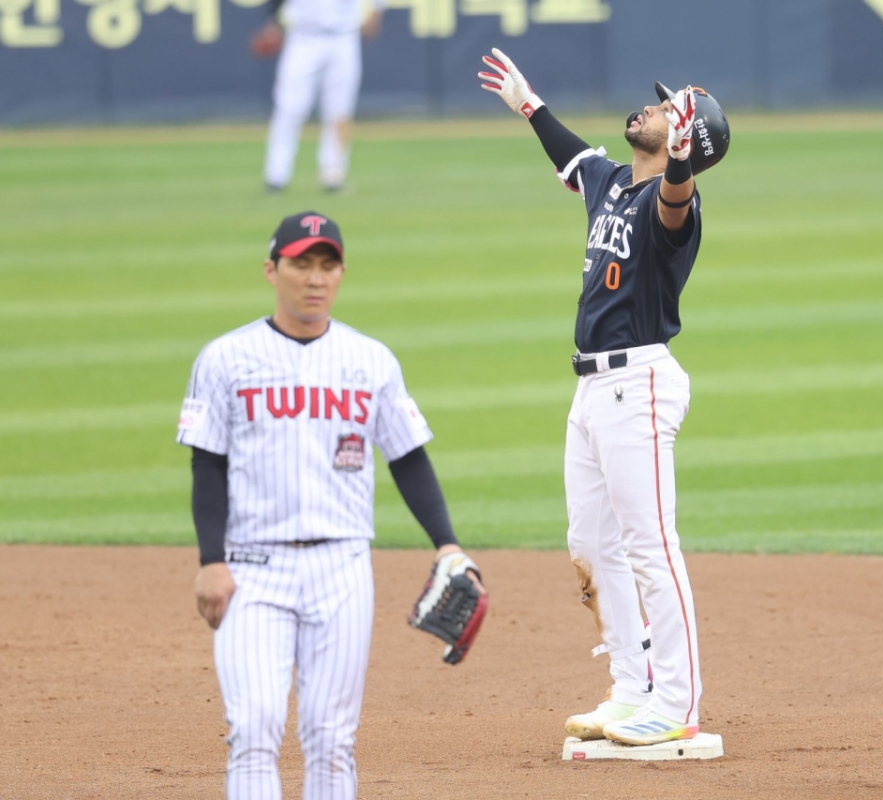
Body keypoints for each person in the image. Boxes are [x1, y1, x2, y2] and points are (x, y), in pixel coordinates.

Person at [177, 211, 485, 799]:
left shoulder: (371, 361)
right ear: (273, 270)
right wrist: (210, 560)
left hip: (342, 570)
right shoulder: (224, 358)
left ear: (341, 273)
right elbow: (207, 462)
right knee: (254, 728)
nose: (315, 278)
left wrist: (446, 542)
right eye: (301, 264)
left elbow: (408, 458)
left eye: (327, 265)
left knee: (331, 736)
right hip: (251, 569)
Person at [478, 48, 729, 747]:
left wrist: (679, 159)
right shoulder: (612, 181)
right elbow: (571, 159)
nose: (647, 108)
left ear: (684, 137)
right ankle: (631, 685)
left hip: (639, 384)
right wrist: (530, 104)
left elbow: (676, 199)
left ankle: (677, 703)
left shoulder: (671, 201)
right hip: (590, 391)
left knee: (651, 547)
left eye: (664, 108)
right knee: (590, 543)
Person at [251, 0, 384, 192]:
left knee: (340, 111)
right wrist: (272, 21)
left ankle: (333, 175)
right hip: (303, 36)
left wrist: (376, 12)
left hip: (344, 36)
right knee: (289, 108)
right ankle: (276, 176)